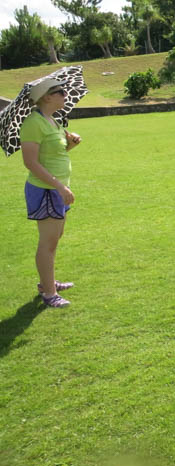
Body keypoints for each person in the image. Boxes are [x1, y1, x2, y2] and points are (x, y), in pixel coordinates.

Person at [20, 78, 81, 308]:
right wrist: (59, 186)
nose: (65, 95)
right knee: (47, 243)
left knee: (54, 240)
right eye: (61, 92)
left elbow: (55, 154)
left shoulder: (53, 121)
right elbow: (30, 162)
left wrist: (71, 145)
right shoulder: (34, 123)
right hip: (46, 190)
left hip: (57, 189)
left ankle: (47, 283)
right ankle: (49, 293)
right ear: (46, 96)